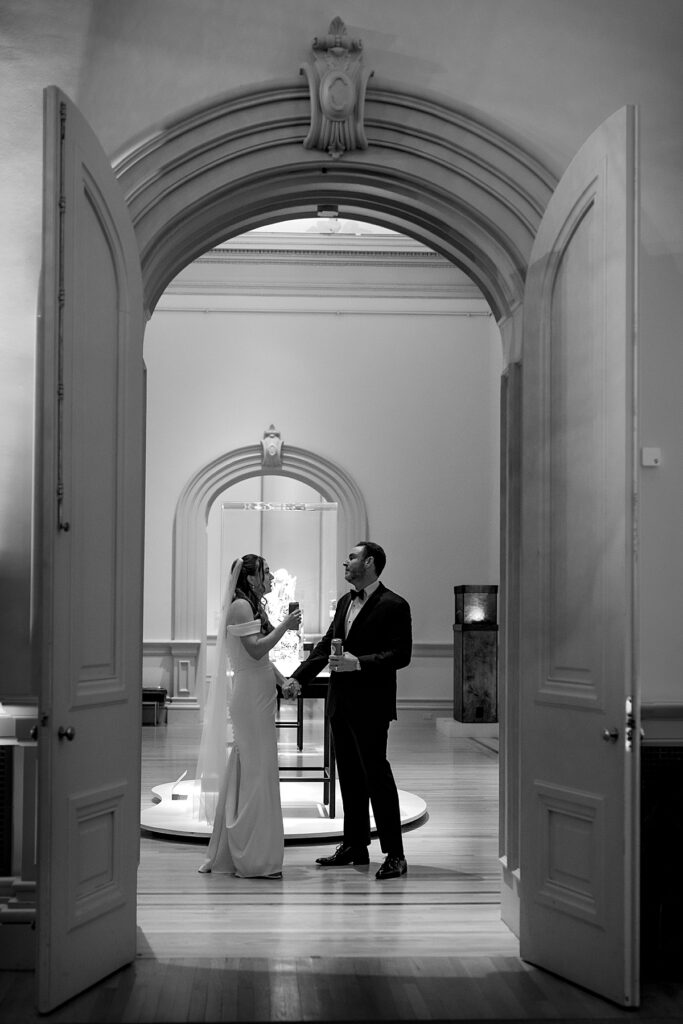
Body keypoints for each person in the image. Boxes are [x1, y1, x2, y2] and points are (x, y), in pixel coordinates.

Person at [290, 541, 412, 880]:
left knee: (377, 777)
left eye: (352, 557)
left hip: (372, 705)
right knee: (351, 777)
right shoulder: (345, 601)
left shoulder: (395, 605)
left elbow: (401, 654)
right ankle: (355, 846)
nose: (346, 562)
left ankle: (395, 855)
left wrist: (359, 663)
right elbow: (327, 644)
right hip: (340, 703)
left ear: (369, 562)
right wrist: (297, 679)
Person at [197, 554, 301, 878]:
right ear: (252, 577)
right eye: (266, 572)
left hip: (259, 696)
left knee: (257, 772)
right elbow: (255, 650)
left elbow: (262, 660)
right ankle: (253, 856)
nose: (271, 577)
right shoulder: (241, 606)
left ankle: (247, 849)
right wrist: (287, 624)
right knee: (258, 774)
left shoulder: (250, 605)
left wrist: (283, 681)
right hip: (250, 702)